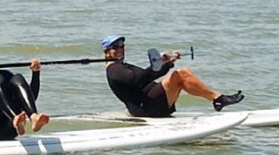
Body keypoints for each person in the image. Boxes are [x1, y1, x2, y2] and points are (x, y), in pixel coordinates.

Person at [102, 35, 244, 117]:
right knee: (181, 74)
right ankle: (218, 99)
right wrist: (156, 65)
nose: (120, 49)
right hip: (145, 108)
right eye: (115, 47)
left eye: (122, 46)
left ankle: (217, 99)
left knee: (181, 75)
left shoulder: (122, 66)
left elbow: (148, 77)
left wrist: (166, 63)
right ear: (107, 52)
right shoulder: (114, 69)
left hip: (149, 102)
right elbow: (137, 79)